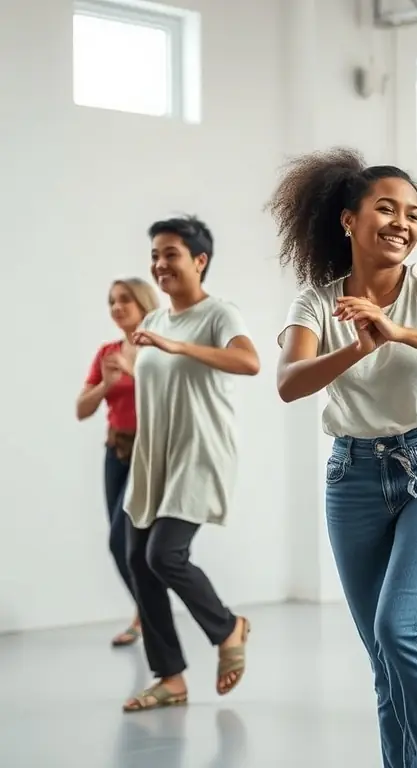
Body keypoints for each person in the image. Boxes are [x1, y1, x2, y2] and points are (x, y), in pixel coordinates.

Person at [272, 147, 417, 768]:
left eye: (414, 212)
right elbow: (290, 381)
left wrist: (398, 331)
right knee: (384, 658)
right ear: (349, 220)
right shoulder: (316, 301)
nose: (403, 221)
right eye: (386, 208)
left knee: (400, 630)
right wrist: (357, 346)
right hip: (353, 477)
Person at [121, 216, 258, 712]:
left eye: (171, 254)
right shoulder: (153, 322)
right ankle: (171, 679)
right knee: (138, 560)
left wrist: (179, 347)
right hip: (154, 456)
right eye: (155, 255)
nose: (160, 264)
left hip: (200, 453)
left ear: (200, 260)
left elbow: (249, 362)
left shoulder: (220, 314)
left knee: (164, 555)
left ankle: (227, 628)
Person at [76, 278, 159, 648]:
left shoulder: (158, 349)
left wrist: (133, 369)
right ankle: (145, 613)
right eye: (112, 301)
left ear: (144, 304)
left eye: (125, 299)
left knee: (124, 540)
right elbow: (82, 409)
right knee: (121, 541)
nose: (117, 307)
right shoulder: (108, 352)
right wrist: (107, 384)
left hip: (150, 450)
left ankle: (149, 615)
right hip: (116, 450)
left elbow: (168, 399)